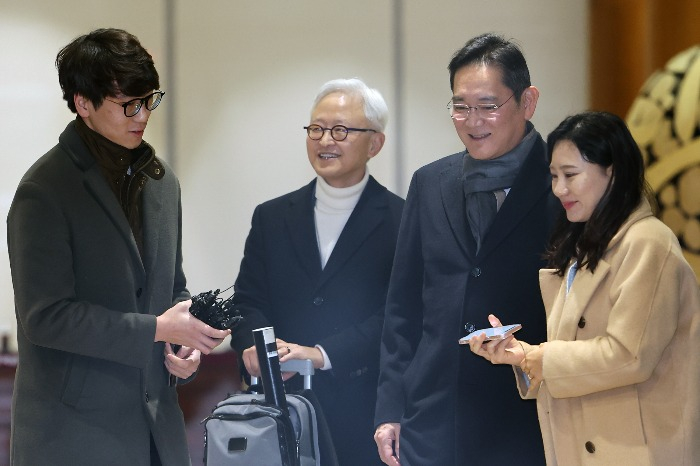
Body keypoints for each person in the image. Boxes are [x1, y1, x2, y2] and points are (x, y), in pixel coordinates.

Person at [7, 28, 231, 466]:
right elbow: (45, 318)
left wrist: (181, 347)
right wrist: (157, 330)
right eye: (128, 103)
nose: (143, 114)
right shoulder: (44, 190)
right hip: (73, 436)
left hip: (157, 431)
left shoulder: (162, 182)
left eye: (150, 99)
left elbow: (171, 290)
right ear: (82, 103)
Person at [469, 111, 700, 465]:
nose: (559, 189)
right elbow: (575, 353)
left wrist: (540, 358)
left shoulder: (648, 242)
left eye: (571, 175)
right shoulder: (583, 244)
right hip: (585, 444)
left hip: (639, 450)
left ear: (613, 172)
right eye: (554, 176)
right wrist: (521, 355)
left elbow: (629, 355)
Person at [374, 33, 560, 465]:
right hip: (433, 421)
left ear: (527, 102)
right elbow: (402, 307)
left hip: (527, 417)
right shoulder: (430, 182)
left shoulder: (562, 185)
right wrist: (390, 411)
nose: (472, 120)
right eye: (460, 106)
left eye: (488, 105)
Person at [229, 78, 404, 465]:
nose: (325, 140)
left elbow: (399, 317)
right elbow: (247, 301)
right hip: (279, 411)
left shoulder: (402, 220)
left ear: (375, 143)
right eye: (316, 129)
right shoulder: (271, 217)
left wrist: (322, 354)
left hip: (364, 415)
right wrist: (255, 349)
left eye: (341, 130)